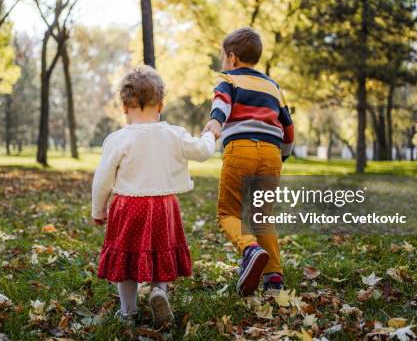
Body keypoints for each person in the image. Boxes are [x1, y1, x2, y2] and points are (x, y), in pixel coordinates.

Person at [92, 65, 216, 327]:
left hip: (128, 206)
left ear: (125, 107)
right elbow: (203, 152)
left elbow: (102, 179)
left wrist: (98, 210)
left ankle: (128, 311)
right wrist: (210, 135)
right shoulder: (174, 134)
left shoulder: (118, 139)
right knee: (161, 251)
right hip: (164, 205)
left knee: (126, 259)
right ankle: (159, 290)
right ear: (160, 105)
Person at [203, 27, 295, 296]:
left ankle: (250, 248)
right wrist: (281, 157)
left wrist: (215, 123)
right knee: (263, 216)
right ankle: (274, 279)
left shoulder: (228, 78)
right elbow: (288, 130)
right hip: (270, 154)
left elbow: (222, 104)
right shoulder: (273, 87)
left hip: (240, 150)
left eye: (223, 57)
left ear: (232, 57)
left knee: (227, 213)